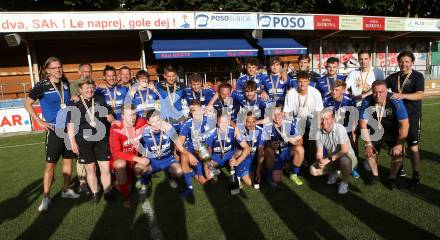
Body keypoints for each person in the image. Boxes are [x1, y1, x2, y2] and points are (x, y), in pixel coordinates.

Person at [25, 57, 79, 212]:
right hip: (54, 130)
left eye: (60, 67)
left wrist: (72, 100)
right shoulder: (41, 85)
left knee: (68, 161)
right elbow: (27, 103)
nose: (58, 70)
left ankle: (66, 190)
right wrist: (39, 121)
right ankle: (46, 197)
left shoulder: (65, 83)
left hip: (69, 130)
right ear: (47, 70)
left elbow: (65, 101)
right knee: (50, 166)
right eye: (55, 68)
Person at [67, 78, 117, 203]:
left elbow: (108, 115)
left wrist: (114, 121)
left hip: (101, 139)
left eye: (91, 88)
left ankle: (107, 192)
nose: (89, 90)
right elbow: (71, 125)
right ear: (80, 90)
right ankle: (95, 193)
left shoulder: (99, 99)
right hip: (83, 141)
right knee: (91, 169)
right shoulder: (74, 104)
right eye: (86, 88)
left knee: (105, 168)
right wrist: (72, 143)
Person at [359, 80, 409, 189]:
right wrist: (368, 144)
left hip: (392, 131)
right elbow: (363, 125)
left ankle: (392, 178)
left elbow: (405, 124)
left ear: (386, 91)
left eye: (381, 92)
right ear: (371, 92)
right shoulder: (367, 101)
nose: (378, 95)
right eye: (375, 92)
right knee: (369, 153)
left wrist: (399, 145)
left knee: (398, 153)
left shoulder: (395, 101)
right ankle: (375, 175)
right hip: (376, 131)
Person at [385, 51, 425, 185]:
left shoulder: (418, 76)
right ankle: (399, 169)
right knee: (399, 145)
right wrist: (364, 94)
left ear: (412, 62)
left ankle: (416, 174)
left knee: (413, 147)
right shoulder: (393, 77)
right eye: (401, 61)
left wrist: (403, 95)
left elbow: (420, 95)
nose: (404, 64)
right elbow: (381, 88)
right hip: (397, 118)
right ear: (398, 62)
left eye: (407, 61)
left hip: (412, 117)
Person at [310, 108, 358, 194]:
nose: (324, 122)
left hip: (348, 158)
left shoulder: (340, 129)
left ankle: (344, 183)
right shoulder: (318, 133)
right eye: (322, 119)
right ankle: (334, 172)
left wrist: (327, 160)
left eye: (327, 119)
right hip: (332, 158)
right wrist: (320, 160)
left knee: (344, 160)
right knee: (313, 170)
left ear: (333, 119)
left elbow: (345, 151)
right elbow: (319, 152)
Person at [109, 104, 149, 208]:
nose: (133, 117)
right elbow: (116, 153)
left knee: (146, 165)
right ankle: (126, 197)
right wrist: (137, 158)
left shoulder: (141, 122)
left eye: (134, 114)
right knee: (120, 164)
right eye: (129, 115)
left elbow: (154, 122)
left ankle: (135, 180)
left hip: (133, 162)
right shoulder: (116, 128)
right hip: (122, 162)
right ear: (122, 116)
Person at [141, 110, 188, 191]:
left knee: (179, 172)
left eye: (158, 120)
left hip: (168, 159)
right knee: (140, 169)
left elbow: (184, 125)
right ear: (148, 122)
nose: (156, 123)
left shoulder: (168, 128)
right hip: (154, 161)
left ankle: (170, 176)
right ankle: (146, 180)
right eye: (153, 121)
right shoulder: (144, 133)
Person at [284, 71, 324, 165]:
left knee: (314, 138)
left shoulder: (315, 92)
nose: (302, 84)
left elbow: (319, 112)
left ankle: (311, 161)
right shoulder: (291, 93)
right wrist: (290, 129)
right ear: (297, 82)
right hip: (296, 119)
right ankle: (296, 161)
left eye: (305, 81)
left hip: (312, 119)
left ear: (308, 81)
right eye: (300, 81)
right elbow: (286, 113)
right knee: (297, 140)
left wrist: (318, 128)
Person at [178, 100, 216, 197]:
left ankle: (193, 171)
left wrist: (207, 156)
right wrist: (189, 155)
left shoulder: (210, 120)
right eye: (194, 111)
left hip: (203, 148)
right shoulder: (187, 123)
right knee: (184, 157)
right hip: (190, 147)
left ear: (202, 110)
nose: (197, 113)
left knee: (207, 180)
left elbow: (210, 142)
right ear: (190, 112)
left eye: (198, 110)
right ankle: (189, 187)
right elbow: (178, 144)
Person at [323, 80, 359, 178]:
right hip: (331, 130)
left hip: (346, 130)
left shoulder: (349, 101)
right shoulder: (326, 100)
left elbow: (354, 117)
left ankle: (353, 168)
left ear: (343, 90)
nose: (334, 92)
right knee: (332, 149)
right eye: (333, 89)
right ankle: (334, 168)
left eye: (337, 90)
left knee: (351, 149)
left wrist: (353, 132)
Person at [263, 103, 304, 185]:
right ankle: (268, 171)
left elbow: (301, 141)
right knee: (277, 179)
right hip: (276, 155)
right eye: (274, 114)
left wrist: (292, 140)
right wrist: (269, 144)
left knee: (300, 149)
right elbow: (262, 145)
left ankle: (294, 174)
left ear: (282, 113)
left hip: (287, 151)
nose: (277, 116)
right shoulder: (267, 125)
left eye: (278, 114)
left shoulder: (289, 123)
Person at [206, 111, 250, 182]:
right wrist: (209, 162)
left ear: (229, 121)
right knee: (210, 178)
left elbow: (247, 148)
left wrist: (238, 161)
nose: (223, 125)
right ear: (217, 122)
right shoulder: (211, 133)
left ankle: (237, 168)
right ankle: (218, 170)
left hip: (231, 158)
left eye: (225, 122)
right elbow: (208, 150)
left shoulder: (234, 131)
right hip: (216, 160)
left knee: (240, 152)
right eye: (221, 122)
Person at [154, 65, 186, 133]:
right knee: (167, 142)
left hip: (179, 118)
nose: (171, 78)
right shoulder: (158, 85)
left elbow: (193, 91)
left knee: (180, 141)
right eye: (169, 76)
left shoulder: (182, 86)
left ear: (176, 75)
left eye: (173, 76)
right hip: (165, 118)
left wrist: (206, 85)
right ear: (164, 76)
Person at [237, 111, 264, 186]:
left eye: (253, 122)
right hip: (244, 158)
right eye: (248, 122)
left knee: (265, 152)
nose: (251, 124)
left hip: (254, 157)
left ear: (256, 121)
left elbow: (261, 151)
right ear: (245, 122)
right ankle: (238, 174)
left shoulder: (261, 131)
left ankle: (260, 169)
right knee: (250, 182)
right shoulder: (240, 131)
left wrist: (258, 170)